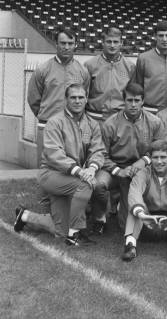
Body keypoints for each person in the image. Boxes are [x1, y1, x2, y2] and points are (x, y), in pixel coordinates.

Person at [15, 84, 106, 245]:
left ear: (86, 100)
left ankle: (25, 216)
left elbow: (98, 150)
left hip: (71, 177)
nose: (77, 101)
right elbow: (54, 154)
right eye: (73, 97)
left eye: (80, 97)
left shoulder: (92, 124)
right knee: (85, 185)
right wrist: (80, 172)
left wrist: (92, 168)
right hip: (51, 175)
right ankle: (74, 235)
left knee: (60, 231)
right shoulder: (55, 122)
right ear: (66, 100)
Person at [26, 27, 90, 213]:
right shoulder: (43, 69)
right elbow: (33, 98)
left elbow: (85, 96)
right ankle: (45, 207)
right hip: (47, 126)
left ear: (75, 45)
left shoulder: (82, 71)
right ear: (56, 44)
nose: (66, 47)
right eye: (63, 43)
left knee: (71, 165)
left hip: (73, 127)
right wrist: (47, 116)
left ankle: (71, 205)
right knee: (48, 167)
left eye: (70, 44)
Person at [97, 82, 166, 231]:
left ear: (143, 101)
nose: (133, 105)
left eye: (137, 101)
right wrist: (118, 171)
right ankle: (99, 218)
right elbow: (101, 154)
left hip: (142, 169)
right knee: (99, 184)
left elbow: (162, 148)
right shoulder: (110, 124)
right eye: (129, 100)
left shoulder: (154, 122)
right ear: (124, 101)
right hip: (114, 168)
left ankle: (133, 207)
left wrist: (143, 161)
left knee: (125, 226)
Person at [121, 140, 167, 263]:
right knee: (135, 206)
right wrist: (142, 215)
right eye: (155, 157)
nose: (159, 162)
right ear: (150, 158)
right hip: (147, 223)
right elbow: (135, 193)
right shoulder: (143, 173)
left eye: (163, 157)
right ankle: (130, 245)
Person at [131, 20, 167, 112]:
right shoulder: (143, 58)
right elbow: (138, 87)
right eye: (161, 35)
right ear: (155, 36)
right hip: (149, 110)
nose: (164, 39)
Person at [84, 27, 135, 122]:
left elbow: (132, 94)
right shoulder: (90, 65)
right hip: (95, 117)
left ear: (121, 43)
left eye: (115, 42)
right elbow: (83, 93)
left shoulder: (130, 66)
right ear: (102, 42)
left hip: (120, 118)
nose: (112, 45)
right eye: (109, 42)